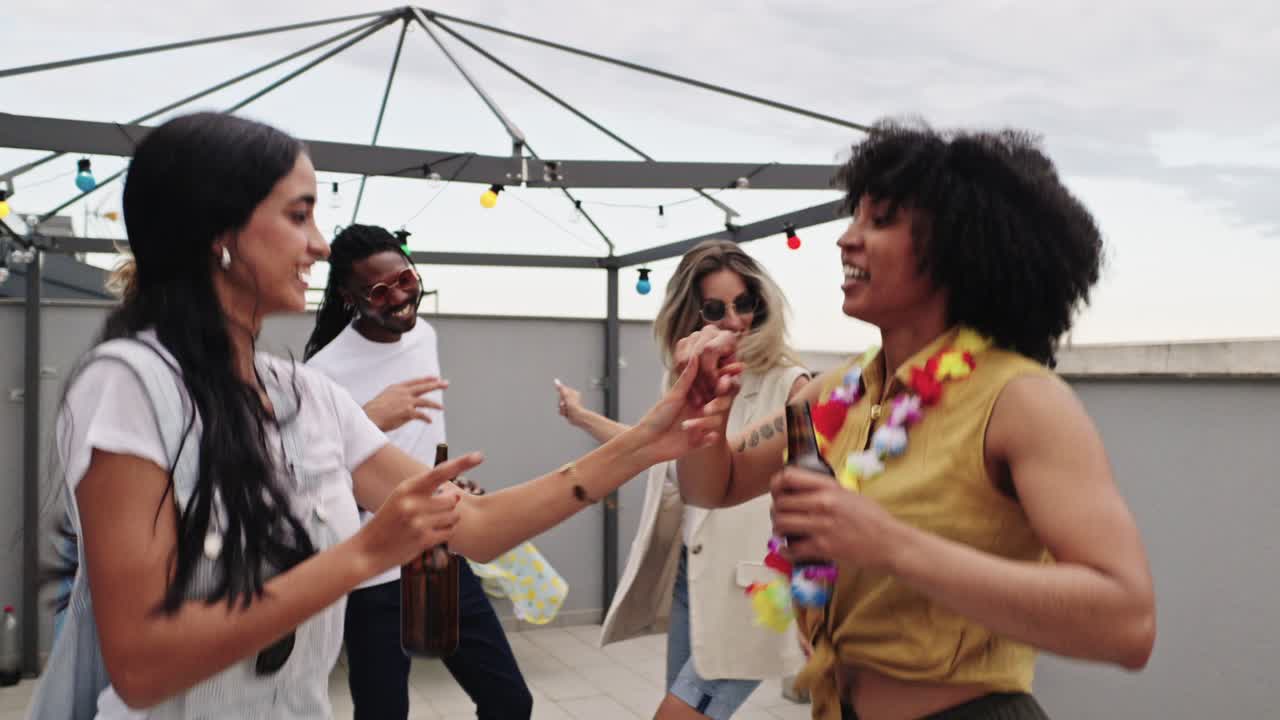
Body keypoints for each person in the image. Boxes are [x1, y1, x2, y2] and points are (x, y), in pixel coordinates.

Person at [26, 111, 723, 720]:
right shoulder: (129, 383)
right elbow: (143, 663)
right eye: (298, 214)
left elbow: (474, 530)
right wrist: (367, 552)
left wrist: (644, 445)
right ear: (221, 232)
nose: (321, 244)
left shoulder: (306, 395)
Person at [673, 121, 1157, 720]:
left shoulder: (1022, 400)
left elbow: (1127, 622)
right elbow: (711, 487)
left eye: (880, 221)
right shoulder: (836, 393)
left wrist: (888, 544)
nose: (846, 241)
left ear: (960, 246)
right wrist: (700, 419)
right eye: (855, 218)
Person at [555, 239, 809, 719]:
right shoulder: (688, 378)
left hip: (756, 592)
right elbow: (657, 450)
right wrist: (583, 417)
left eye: (745, 303)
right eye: (716, 309)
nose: (734, 320)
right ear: (691, 314)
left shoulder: (789, 383)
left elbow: (816, 487)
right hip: (693, 579)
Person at [304, 224, 532, 719]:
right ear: (348, 295)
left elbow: (421, 444)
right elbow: (309, 477)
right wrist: (369, 418)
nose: (401, 298)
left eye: (406, 280)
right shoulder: (324, 373)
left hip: (439, 555)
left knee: (510, 701)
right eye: (379, 291)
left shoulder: (423, 336)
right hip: (373, 573)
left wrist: (449, 487)